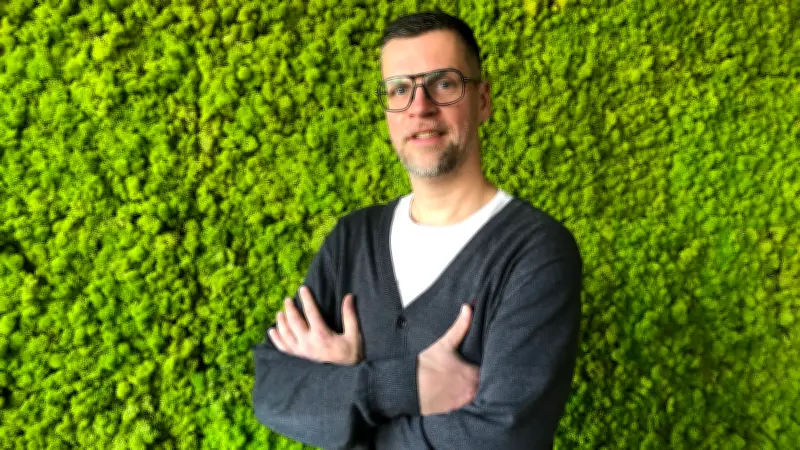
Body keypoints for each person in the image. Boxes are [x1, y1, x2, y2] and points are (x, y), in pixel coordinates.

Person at [252, 11, 583, 450]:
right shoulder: (352, 238)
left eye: (443, 84)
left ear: (483, 100)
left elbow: (501, 439)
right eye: (399, 89)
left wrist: (343, 400)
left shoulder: (537, 252)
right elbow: (272, 391)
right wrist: (401, 386)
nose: (419, 106)